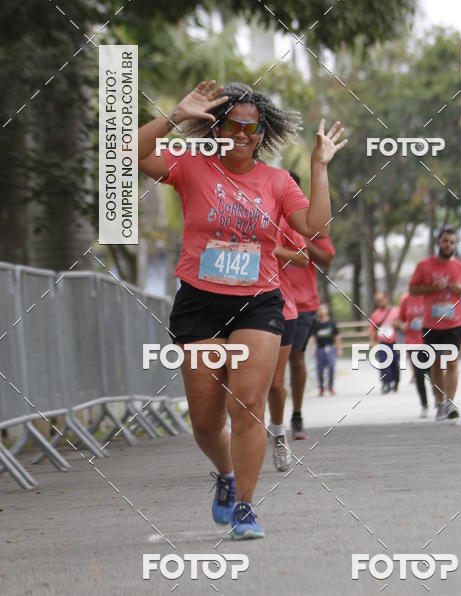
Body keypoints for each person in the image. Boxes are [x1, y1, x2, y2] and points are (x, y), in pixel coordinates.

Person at [138, 80, 346, 539]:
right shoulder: (191, 166)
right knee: (207, 422)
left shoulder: (276, 180)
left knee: (248, 404)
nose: (244, 135)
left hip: (258, 303)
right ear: (217, 126)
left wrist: (318, 166)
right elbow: (130, 152)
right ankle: (226, 475)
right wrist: (176, 115)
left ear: (262, 132)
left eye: (253, 128)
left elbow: (315, 226)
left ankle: (247, 508)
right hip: (199, 304)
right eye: (234, 125)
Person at [409, 228, 461, 420]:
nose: (448, 244)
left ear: (455, 245)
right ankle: (439, 402)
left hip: (454, 323)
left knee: (451, 362)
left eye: (451, 242)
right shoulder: (424, 266)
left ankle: (450, 403)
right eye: (445, 241)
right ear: (438, 243)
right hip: (432, 324)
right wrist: (432, 288)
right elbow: (413, 289)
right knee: (437, 365)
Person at [287, 211, 336, 440]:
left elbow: (327, 259)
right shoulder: (264, 217)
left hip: (304, 304)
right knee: (269, 364)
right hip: (269, 300)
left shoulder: (309, 225)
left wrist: (305, 242)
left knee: (297, 358)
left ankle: (296, 416)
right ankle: (267, 418)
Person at [268, 214, 309, 471]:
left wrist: (275, 249)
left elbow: (304, 257)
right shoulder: (226, 212)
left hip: (281, 308)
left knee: (274, 382)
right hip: (239, 306)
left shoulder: (282, 221)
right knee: (242, 381)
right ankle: (240, 438)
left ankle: (279, 432)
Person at [395, 291, 429, 416]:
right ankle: (424, 405)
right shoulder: (406, 298)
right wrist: (402, 325)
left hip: (430, 340)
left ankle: (440, 400)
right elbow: (398, 320)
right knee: (419, 374)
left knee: (434, 373)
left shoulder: (429, 296)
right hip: (412, 341)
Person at [369, 291, 401, 394]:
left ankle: (396, 381)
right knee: (383, 363)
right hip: (382, 343)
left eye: (381, 300)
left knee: (394, 364)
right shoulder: (375, 314)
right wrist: (372, 341)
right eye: (377, 301)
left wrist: (398, 324)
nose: (379, 302)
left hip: (395, 343)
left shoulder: (396, 311)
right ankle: (386, 384)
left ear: (386, 299)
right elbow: (372, 329)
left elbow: (403, 325)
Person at [312, 302, 342, 395]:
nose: (321, 311)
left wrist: (339, 349)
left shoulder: (332, 322)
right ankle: (321, 387)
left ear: (327, 310)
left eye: (323, 309)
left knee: (331, 366)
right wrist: (312, 349)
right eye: (319, 310)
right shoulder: (316, 324)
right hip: (320, 348)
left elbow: (337, 336)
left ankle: (330, 386)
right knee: (320, 369)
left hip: (330, 348)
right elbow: (312, 337)